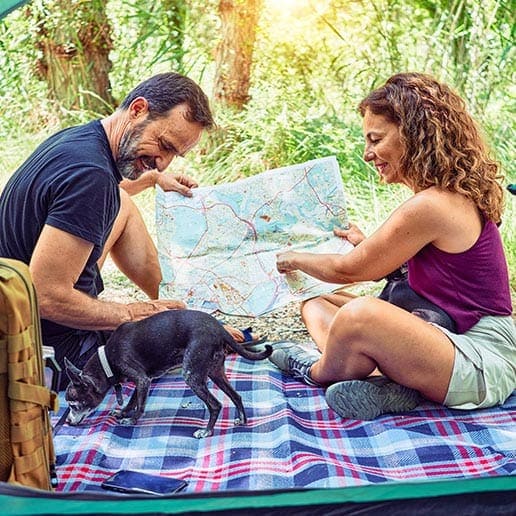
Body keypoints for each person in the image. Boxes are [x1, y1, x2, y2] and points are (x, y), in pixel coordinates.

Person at [269, 72, 515, 420]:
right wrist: (366, 244)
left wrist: (292, 258)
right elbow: (424, 273)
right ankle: (389, 384)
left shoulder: (434, 204)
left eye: (376, 139)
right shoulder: (440, 198)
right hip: (441, 332)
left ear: (415, 135)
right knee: (315, 298)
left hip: (480, 358)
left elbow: (350, 270)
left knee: (360, 315)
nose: (368, 154)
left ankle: (313, 370)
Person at [0, 72, 253, 389]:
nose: (163, 163)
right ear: (138, 109)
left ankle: (187, 314)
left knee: (123, 204)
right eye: (164, 145)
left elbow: (89, 196)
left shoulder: (79, 142)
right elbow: (43, 297)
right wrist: (137, 314)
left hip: (12, 319)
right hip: (47, 353)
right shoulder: (91, 177)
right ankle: (185, 321)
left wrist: (151, 180)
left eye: (175, 154)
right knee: (157, 341)